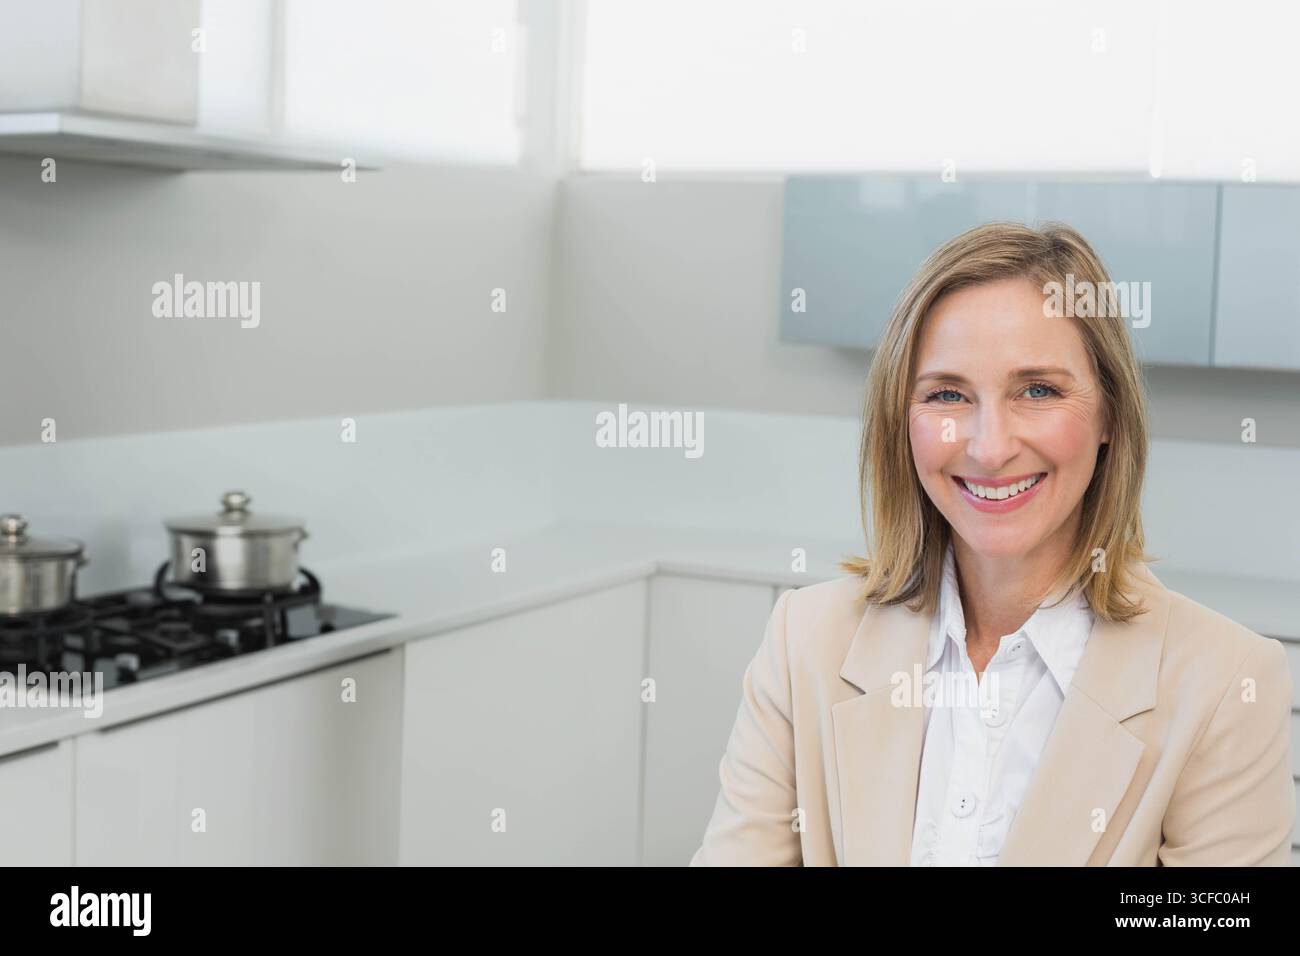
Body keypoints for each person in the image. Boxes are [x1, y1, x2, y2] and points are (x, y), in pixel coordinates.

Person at [691, 222, 1294, 866]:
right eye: (948, 394)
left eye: (1038, 390)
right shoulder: (803, 642)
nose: (989, 447)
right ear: (904, 420)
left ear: (1109, 416)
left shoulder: (1226, 683)